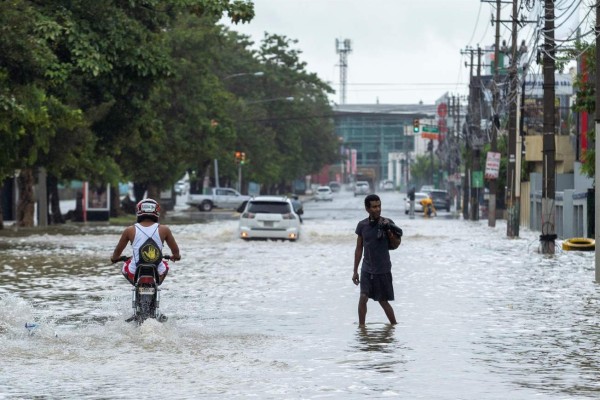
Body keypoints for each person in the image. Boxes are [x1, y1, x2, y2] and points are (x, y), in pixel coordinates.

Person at [353, 194, 402, 327]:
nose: (377, 209)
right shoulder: (362, 226)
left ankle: (394, 326)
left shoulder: (387, 223)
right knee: (363, 297)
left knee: (383, 301)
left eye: (379, 206)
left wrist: (389, 232)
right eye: (374, 207)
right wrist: (355, 271)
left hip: (383, 269)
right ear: (367, 209)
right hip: (367, 268)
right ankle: (361, 329)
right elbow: (358, 249)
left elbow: (396, 244)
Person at [110, 198, 181, 285]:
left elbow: (118, 250)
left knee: (125, 266)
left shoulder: (129, 230)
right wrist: (176, 256)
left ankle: (136, 285)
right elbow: (175, 251)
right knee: (164, 266)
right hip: (157, 269)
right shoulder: (164, 230)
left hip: (135, 270)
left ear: (139, 211)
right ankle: (156, 284)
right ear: (156, 212)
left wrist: (114, 258)